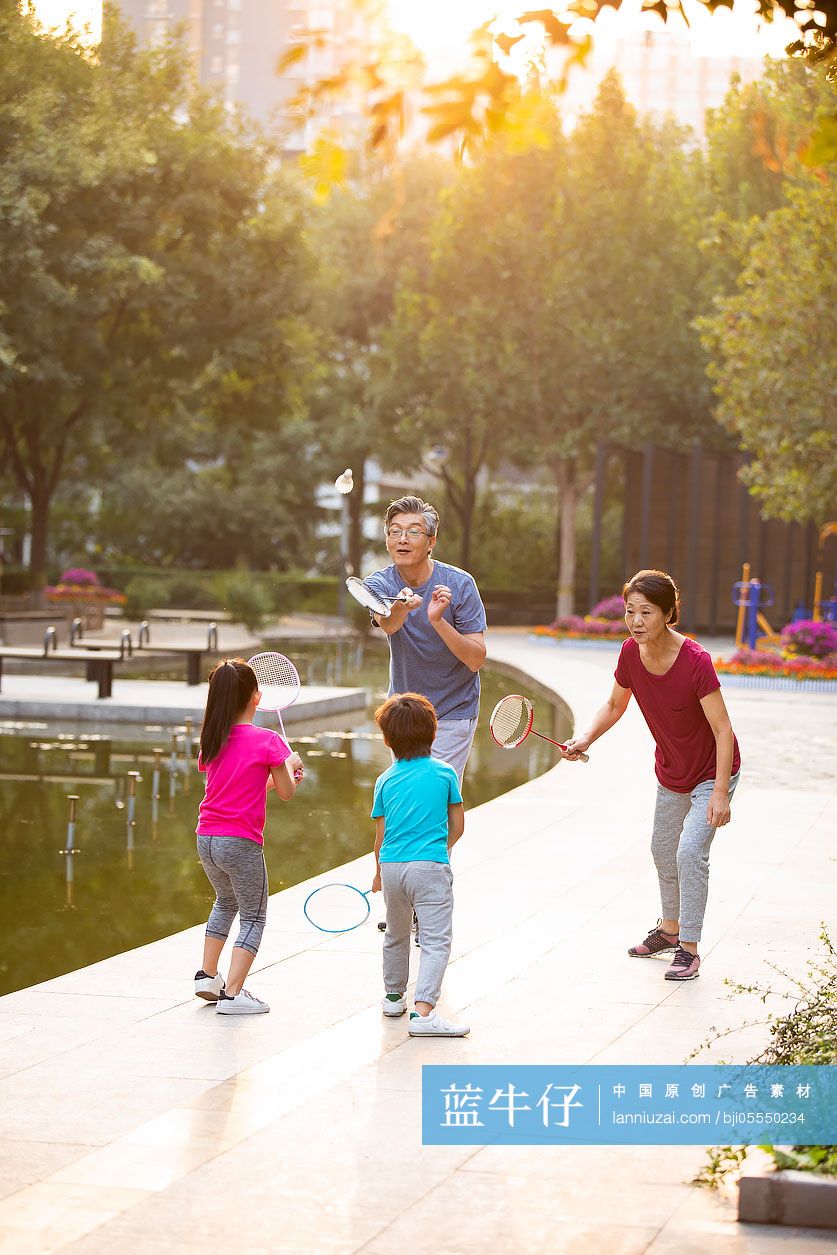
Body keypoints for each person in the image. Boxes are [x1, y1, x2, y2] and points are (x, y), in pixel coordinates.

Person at [564, 570, 741, 982]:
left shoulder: (695, 660)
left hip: (713, 771)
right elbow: (614, 703)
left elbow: (722, 729)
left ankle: (689, 949)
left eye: (646, 612)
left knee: (689, 854)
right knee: (663, 851)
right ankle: (668, 929)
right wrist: (585, 738)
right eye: (630, 611)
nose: (636, 621)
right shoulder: (630, 652)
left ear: (667, 614)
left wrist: (720, 794)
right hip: (671, 770)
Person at [193, 658, 304, 1015]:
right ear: (256, 697)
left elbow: (250, 788)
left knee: (225, 903)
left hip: (207, 838)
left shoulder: (212, 739)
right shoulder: (269, 741)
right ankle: (233, 994)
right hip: (240, 841)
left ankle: (207, 977)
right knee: (254, 916)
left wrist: (280, 773)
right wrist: (291, 766)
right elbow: (288, 793)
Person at [364, 495, 487, 785]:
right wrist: (401, 608)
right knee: (410, 797)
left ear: (431, 541)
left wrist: (437, 620)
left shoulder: (460, 584)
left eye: (413, 531)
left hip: (453, 709)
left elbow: (476, 659)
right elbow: (389, 625)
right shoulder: (378, 584)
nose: (402, 539)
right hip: (404, 713)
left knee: (436, 800)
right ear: (387, 539)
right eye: (395, 531)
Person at [370, 692, 469, 1037]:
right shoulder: (444, 774)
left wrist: (379, 873)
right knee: (435, 940)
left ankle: (393, 997)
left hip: (393, 867)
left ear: (387, 739)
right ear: (434, 732)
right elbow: (457, 825)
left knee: (395, 934)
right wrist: (439, 851)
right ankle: (424, 1012)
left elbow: (380, 837)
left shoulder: (384, 780)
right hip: (430, 865)